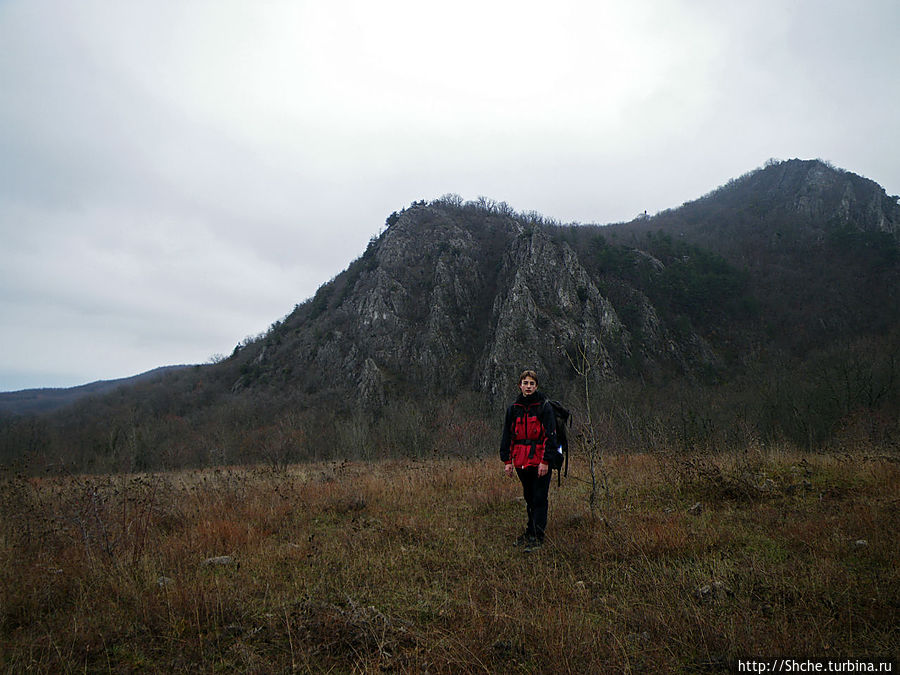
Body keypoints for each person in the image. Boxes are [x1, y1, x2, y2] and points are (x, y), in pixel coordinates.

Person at [499, 369, 558, 552]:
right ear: (520, 385)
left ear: (536, 386)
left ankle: (538, 536)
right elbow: (507, 436)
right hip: (521, 461)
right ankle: (530, 531)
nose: (528, 387)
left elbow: (551, 436)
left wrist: (546, 461)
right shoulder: (513, 409)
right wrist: (507, 461)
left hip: (539, 460)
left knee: (540, 497)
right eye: (525, 383)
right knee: (529, 496)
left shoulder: (544, 407)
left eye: (532, 383)